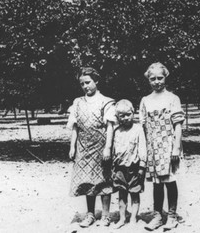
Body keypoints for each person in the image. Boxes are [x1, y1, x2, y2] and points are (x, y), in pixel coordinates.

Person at [67, 67, 116, 228]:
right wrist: (72, 146)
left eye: (88, 82)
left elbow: (110, 126)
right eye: (82, 84)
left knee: (103, 181)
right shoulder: (77, 102)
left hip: (101, 147)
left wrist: (108, 147)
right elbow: (75, 127)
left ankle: (106, 215)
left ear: (96, 81)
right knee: (87, 181)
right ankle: (90, 214)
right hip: (83, 147)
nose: (85, 86)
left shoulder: (106, 102)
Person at [139, 62, 185, 231]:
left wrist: (176, 148)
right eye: (153, 79)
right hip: (153, 148)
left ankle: (172, 216)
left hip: (168, 146)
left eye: (160, 78)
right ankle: (158, 215)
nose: (157, 82)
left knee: (170, 181)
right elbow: (143, 128)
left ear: (166, 77)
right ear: (148, 80)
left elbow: (178, 125)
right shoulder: (145, 100)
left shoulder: (172, 98)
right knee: (157, 183)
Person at [109, 99, 146, 229]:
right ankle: (122, 218)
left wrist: (142, 166)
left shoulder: (138, 129)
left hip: (134, 168)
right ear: (117, 117)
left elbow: (142, 148)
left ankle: (134, 218)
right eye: (121, 116)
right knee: (122, 194)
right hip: (120, 168)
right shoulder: (116, 131)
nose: (125, 118)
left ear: (133, 113)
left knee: (134, 193)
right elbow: (113, 150)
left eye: (128, 114)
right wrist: (113, 167)